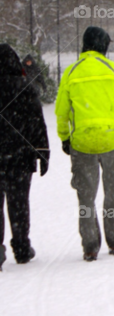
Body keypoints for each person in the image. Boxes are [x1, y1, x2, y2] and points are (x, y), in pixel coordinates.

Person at [56, 26, 114, 261]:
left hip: (82, 142)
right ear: (103, 45)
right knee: (113, 193)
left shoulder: (71, 72)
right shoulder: (113, 70)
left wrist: (65, 137)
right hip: (112, 140)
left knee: (86, 197)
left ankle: (90, 245)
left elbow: (61, 111)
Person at [0, 45, 49, 269]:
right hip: (20, 155)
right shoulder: (25, 88)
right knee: (18, 202)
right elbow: (37, 122)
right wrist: (42, 151)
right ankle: (21, 246)